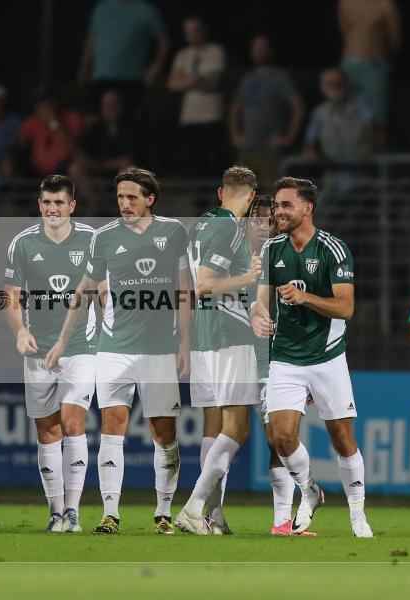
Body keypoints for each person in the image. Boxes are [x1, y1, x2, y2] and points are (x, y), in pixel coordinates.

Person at [45, 167, 191, 535]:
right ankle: (110, 513)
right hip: (113, 349)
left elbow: (185, 290)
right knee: (112, 429)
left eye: (131, 197)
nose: (124, 204)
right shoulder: (104, 238)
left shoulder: (174, 232)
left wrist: (186, 342)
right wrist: (63, 340)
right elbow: (85, 290)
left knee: (164, 433)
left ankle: (163, 512)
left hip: (159, 350)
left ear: (149, 199)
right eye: (120, 197)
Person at [250, 176, 373, 538]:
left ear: (308, 208)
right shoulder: (272, 249)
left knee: (342, 437)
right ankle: (310, 492)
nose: (278, 212)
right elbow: (260, 298)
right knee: (281, 438)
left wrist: (306, 298)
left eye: (287, 205)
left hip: (327, 356)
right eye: (276, 206)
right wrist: (258, 316)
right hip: (285, 357)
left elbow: (346, 308)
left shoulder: (333, 250)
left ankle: (357, 515)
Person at [2, 175, 97, 533]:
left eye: (59, 202)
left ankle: (73, 511)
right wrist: (20, 331)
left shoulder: (91, 240)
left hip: (82, 348)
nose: (52, 209)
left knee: (73, 423)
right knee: (46, 431)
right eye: (46, 202)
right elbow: (10, 295)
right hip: (38, 350)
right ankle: (56, 511)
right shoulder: (23, 244)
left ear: (72, 205)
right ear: (39, 204)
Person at [174, 166, 261, 536]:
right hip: (229, 333)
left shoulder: (201, 225)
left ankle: (214, 514)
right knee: (238, 427)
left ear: (220, 191)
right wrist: (248, 277)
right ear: (252, 196)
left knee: (214, 426)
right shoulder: (228, 228)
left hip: (205, 338)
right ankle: (195, 506)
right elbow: (204, 285)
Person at [246, 195, 318, 537]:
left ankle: (281, 522)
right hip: (244, 360)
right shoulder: (248, 263)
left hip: (283, 361)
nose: (267, 228)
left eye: (270, 222)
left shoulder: (289, 260)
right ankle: (203, 510)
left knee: (279, 437)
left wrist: (311, 371)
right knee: (229, 435)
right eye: (259, 223)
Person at [230, 35, 304, 188]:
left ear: (270, 51)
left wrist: (289, 137)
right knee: (242, 193)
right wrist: (235, 134)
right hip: (247, 147)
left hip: (270, 148)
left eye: (262, 48)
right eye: (256, 48)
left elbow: (297, 106)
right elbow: (236, 108)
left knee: (270, 193)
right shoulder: (247, 79)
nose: (259, 52)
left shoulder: (280, 77)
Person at [77, 0, 169, 114]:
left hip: (131, 79)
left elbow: (163, 41)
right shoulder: (101, 8)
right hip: (101, 77)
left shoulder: (145, 10)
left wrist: (156, 67)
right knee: (95, 119)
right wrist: (84, 69)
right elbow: (91, 40)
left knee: (128, 123)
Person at [168, 15, 226, 177]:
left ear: (203, 30)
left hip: (210, 115)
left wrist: (186, 80)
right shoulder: (182, 55)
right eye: (187, 31)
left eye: (194, 30)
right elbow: (172, 84)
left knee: (214, 160)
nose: (190, 34)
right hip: (189, 116)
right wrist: (196, 80)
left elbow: (213, 80)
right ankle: (198, 200)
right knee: (194, 162)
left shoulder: (216, 51)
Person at [338, 0, 401, 139]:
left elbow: (394, 35)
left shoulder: (385, 4)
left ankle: (376, 154)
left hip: (375, 63)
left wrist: (383, 55)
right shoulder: (346, 3)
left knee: (378, 113)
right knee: (347, 109)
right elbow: (344, 29)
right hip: (350, 62)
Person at [68, 90, 139, 195]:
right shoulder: (94, 128)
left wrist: (99, 165)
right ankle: (94, 205)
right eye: (106, 106)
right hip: (95, 172)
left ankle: (122, 208)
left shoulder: (132, 129)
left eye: (113, 106)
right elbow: (80, 153)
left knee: (130, 171)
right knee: (75, 169)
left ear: (121, 107)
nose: (109, 110)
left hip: (117, 172)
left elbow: (127, 160)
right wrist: (92, 164)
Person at [304, 68, 375, 163]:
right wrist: (309, 150)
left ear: (346, 84)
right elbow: (310, 138)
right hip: (332, 171)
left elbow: (370, 128)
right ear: (322, 87)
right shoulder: (319, 112)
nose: (335, 87)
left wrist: (371, 149)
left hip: (360, 168)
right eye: (330, 84)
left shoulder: (360, 105)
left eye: (338, 83)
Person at [18, 90, 83, 176]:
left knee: (74, 168)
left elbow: (73, 149)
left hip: (64, 167)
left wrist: (54, 123)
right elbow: (20, 146)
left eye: (48, 103)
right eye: (41, 104)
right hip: (37, 169)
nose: (45, 107)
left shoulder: (71, 118)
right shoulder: (32, 122)